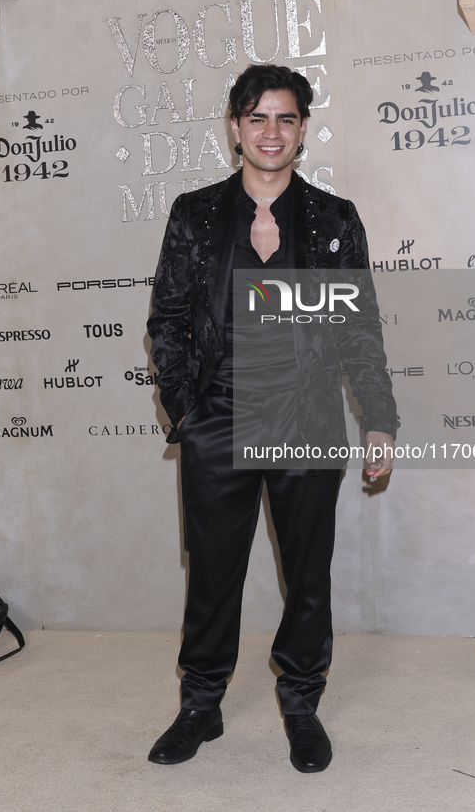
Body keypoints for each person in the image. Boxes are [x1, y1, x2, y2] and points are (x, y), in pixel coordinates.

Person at [146, 64, 397, 772]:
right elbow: (166, 316)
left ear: (302, 131)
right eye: (256, 117)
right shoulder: (194, 213)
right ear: (234, 127)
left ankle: (300, 702)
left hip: (307, 416)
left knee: (306, 574)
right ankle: (200, 702)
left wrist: (378, 418)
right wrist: (186, 410)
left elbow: (359, 328)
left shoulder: (333, 218)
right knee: (213, 571)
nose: (270, 131)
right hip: (218, 414)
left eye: (285, 118)